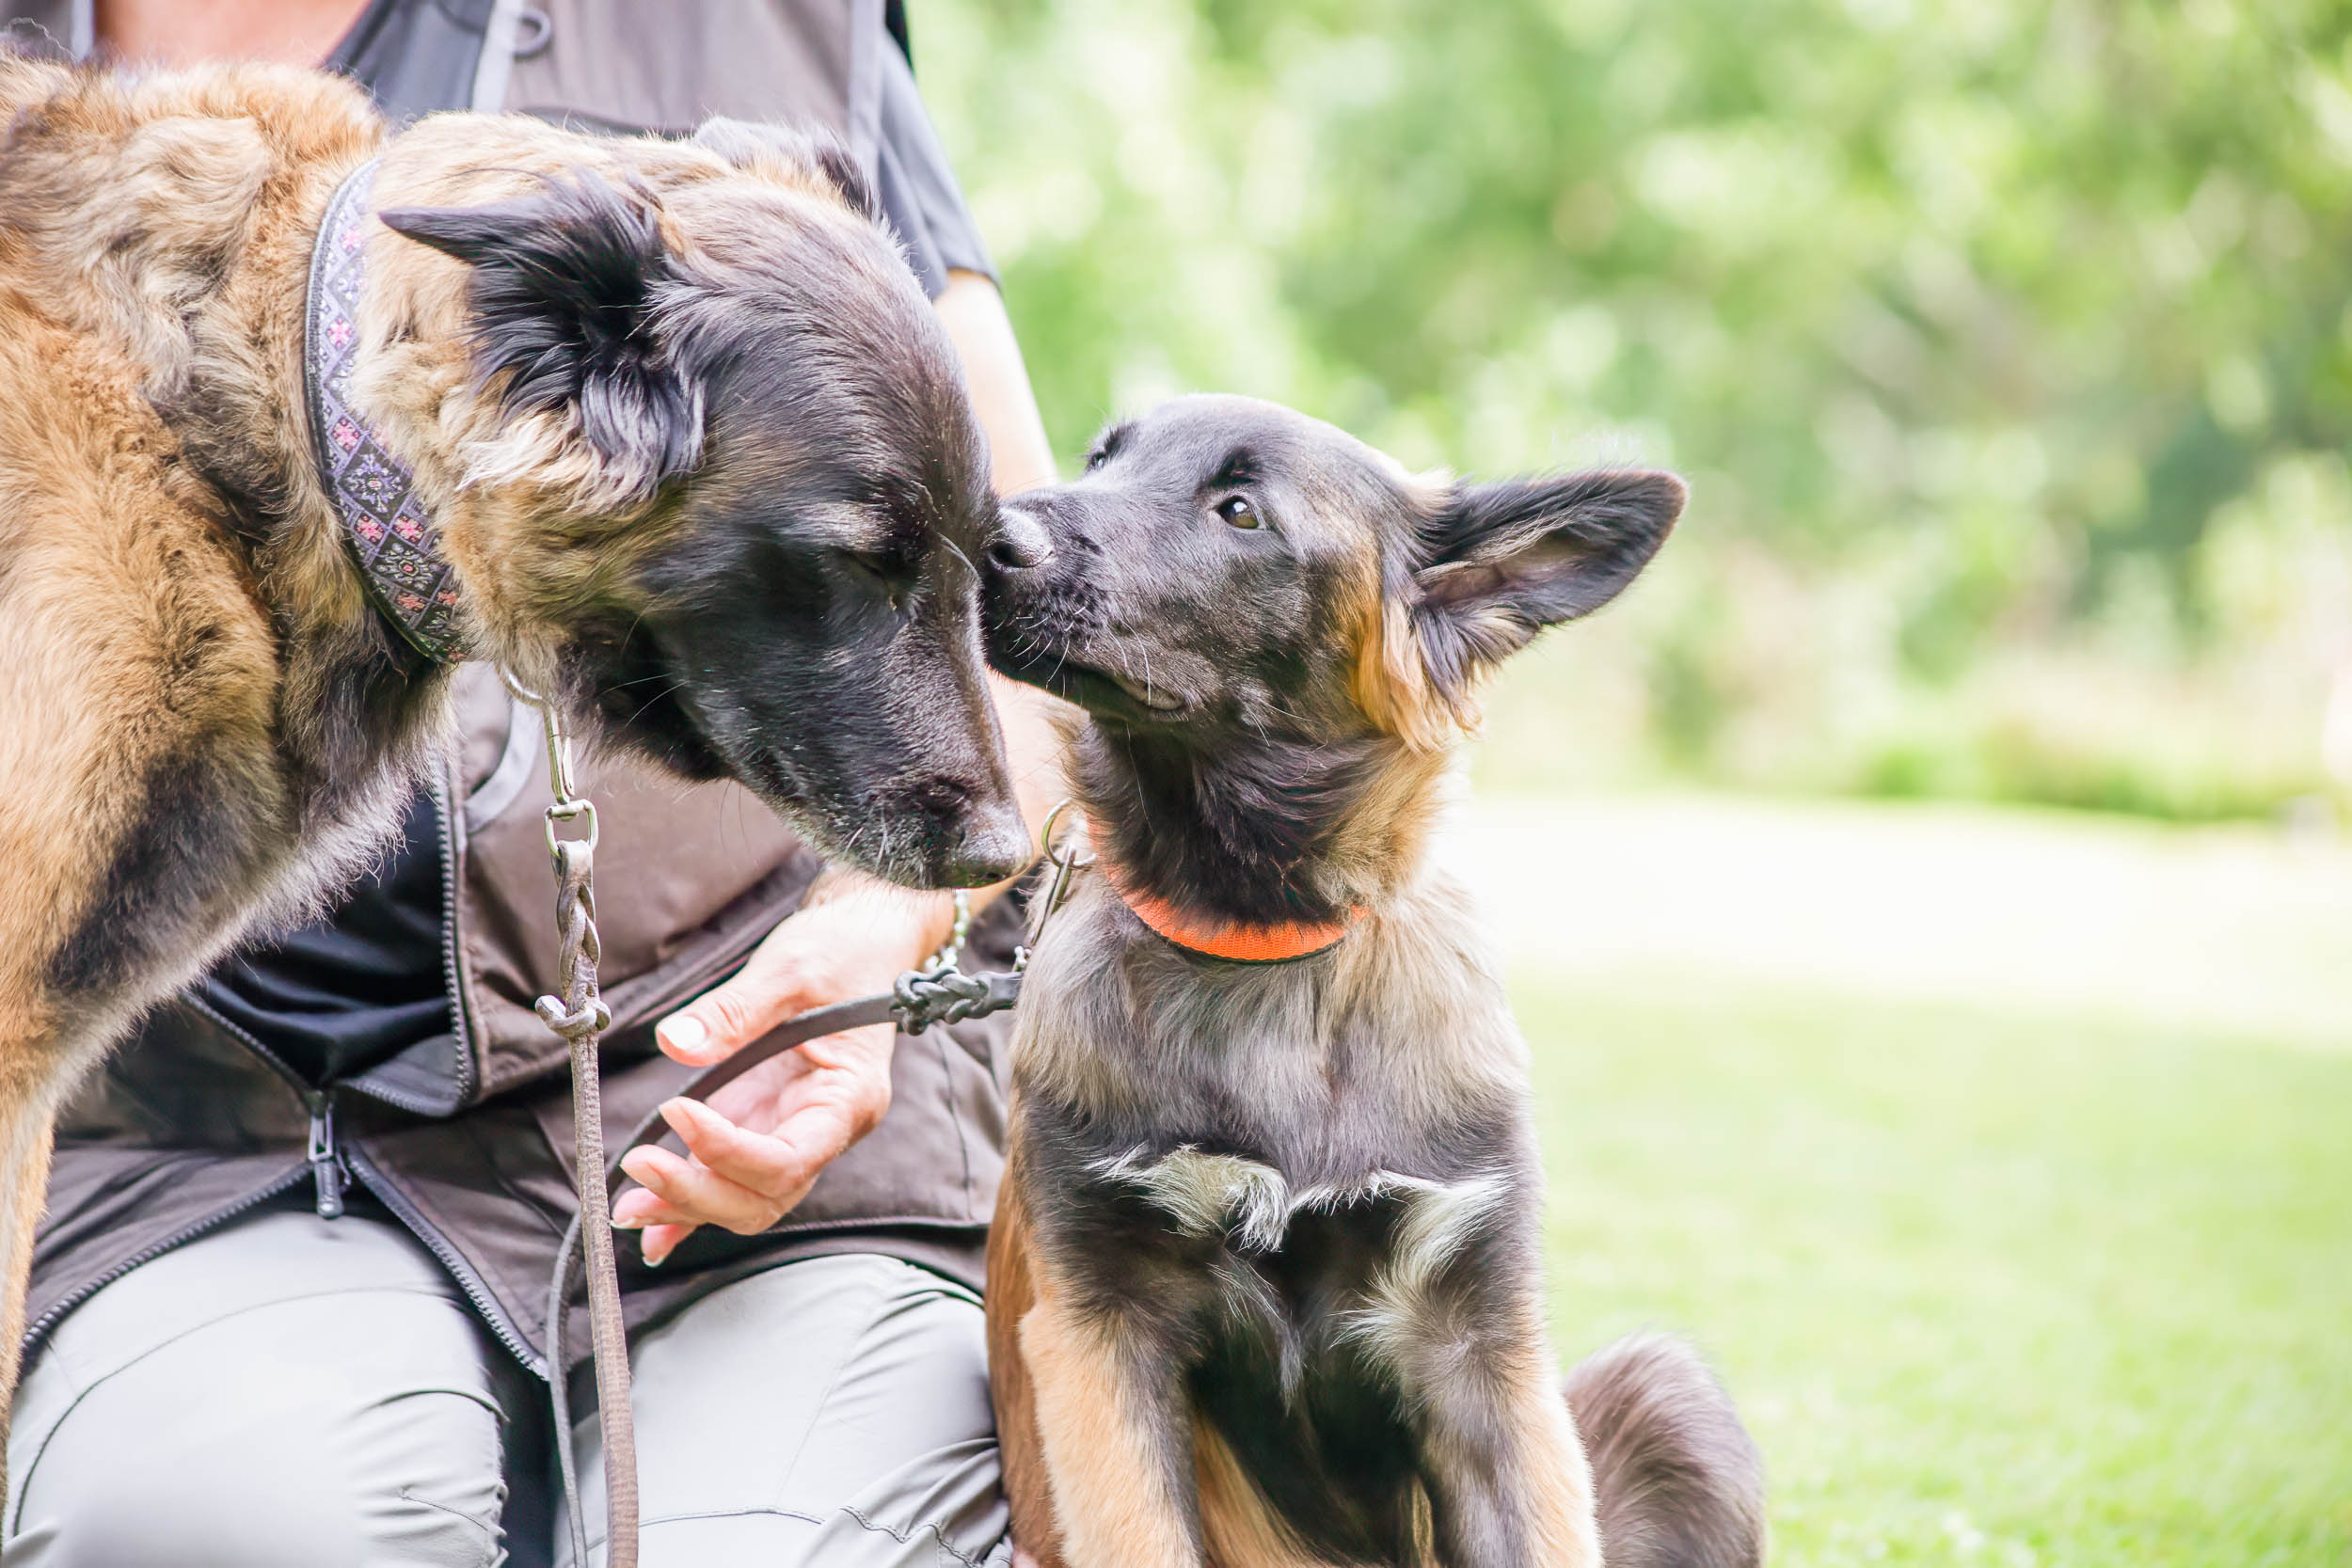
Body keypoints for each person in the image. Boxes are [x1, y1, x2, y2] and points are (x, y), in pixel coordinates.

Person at [0, 4, 1065, 1564]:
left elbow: (1032, 572)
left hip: (742, 1133)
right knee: (222, 1531)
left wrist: (886, 934)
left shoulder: (778, 41)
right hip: (208, 1167)